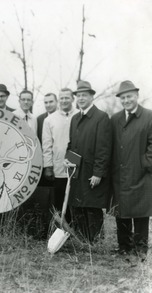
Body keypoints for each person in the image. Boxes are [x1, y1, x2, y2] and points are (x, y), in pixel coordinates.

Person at [65, 80, 112, 243]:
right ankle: (82, 241)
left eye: (84, 95)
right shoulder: (75, 118)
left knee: (92, 208)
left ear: (92, 97)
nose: (81, 98)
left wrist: (98, 173)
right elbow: (71, 145)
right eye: (78, 95)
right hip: (77, 172)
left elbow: (104, 149)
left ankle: (95, 243)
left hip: (91, 173)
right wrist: (68, 160)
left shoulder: (101, 118)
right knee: (78, 207)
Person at [110, 80, 152, 260]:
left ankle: (141, 249)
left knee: (142, 211)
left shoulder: (149, 116)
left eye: (129, 96)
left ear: (137, 96)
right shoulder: (115, 119)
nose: (126, 100)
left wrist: (145, 164)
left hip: (141, 173)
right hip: (120, 174)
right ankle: (124, 247)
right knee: (122, 210)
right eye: (123, 97)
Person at [42, 88, 78, 215]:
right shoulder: (49, 120)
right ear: (58, 100)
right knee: (60, 202)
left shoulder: (80, 115)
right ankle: (62, 230)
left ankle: (79, 232)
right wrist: (48, 166)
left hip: (77, 166)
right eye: (61, 98)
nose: (64, 100)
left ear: (73, 99)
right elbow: (46, 145)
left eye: (67, 97)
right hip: (58, 167)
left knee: (76, 203)